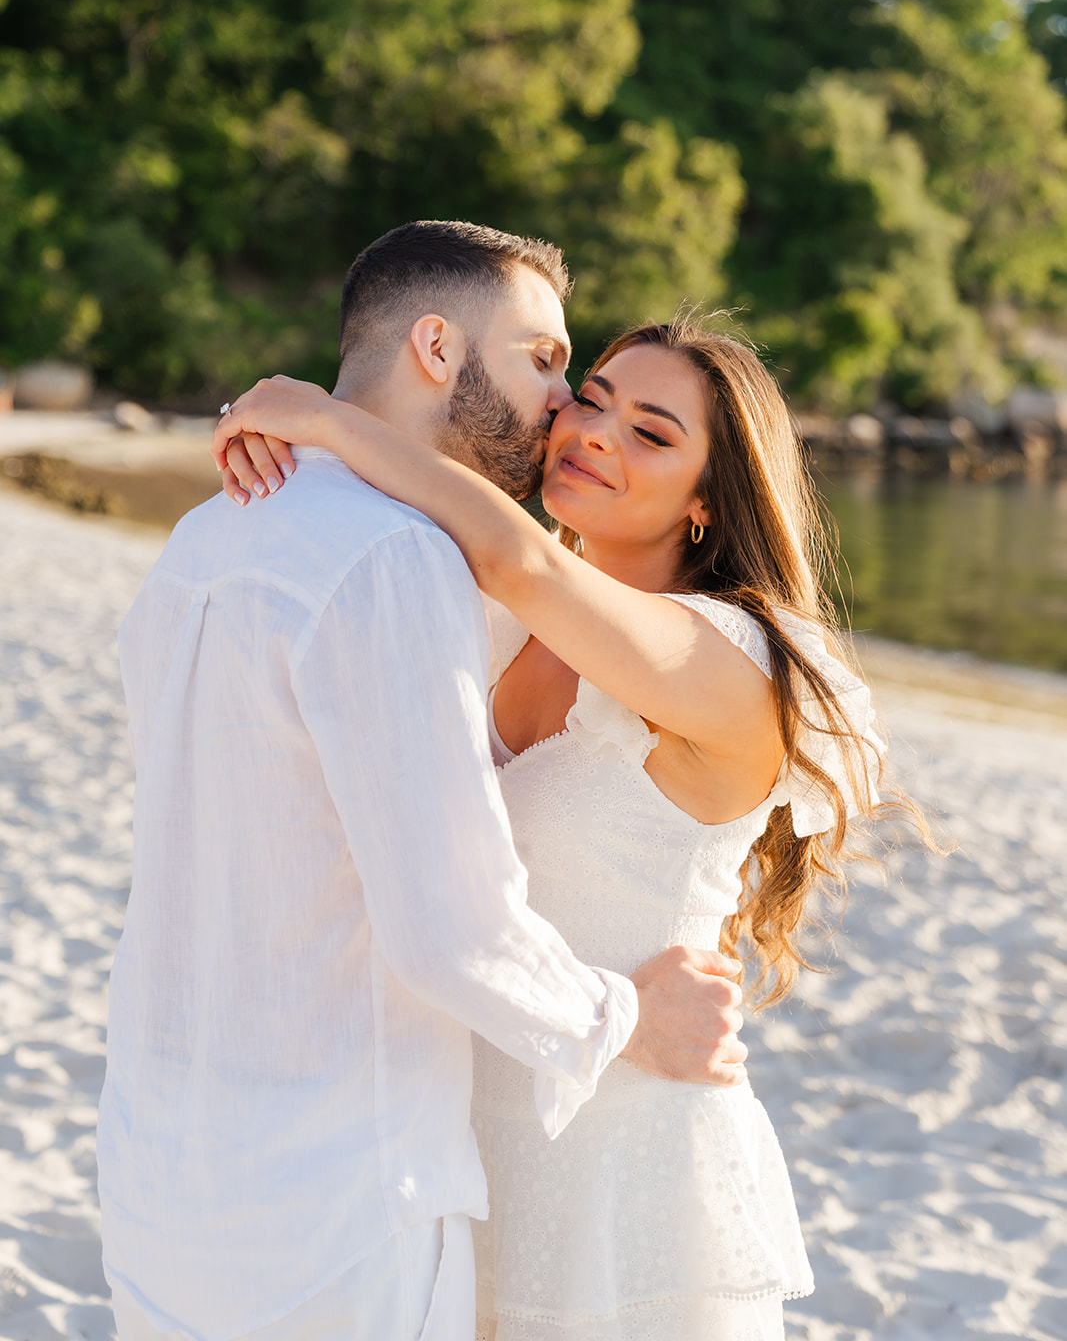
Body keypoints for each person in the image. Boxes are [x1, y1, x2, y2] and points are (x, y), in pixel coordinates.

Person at [213, 314, 934, 1341]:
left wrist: (325, 417)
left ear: (702, 504)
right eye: (590, 399)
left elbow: (523, 563)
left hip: (619, 1170)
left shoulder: (732, 661)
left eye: (650, 432)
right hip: (454, 1145)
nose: (592, 431)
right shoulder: (502, 628)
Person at [97, 222, 750, 1341]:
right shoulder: (396, 560)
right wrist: (622, 1012)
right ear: (438, 347)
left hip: (159, 1176)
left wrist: (315, 423)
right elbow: (448, 928)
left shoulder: (202, 540)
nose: (562, 406)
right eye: (548, 362)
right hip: (335, 1201)